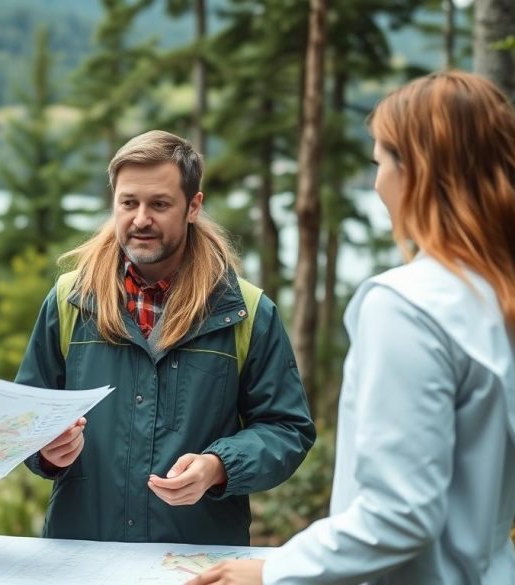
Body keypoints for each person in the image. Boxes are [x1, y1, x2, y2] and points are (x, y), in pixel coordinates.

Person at [187, 71, 515, 585]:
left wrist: (271, 572)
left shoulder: (405, 307)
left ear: (416, 172)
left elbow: (397, 517)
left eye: (380, 162)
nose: (378, 184)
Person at [17, 130, 316, 545]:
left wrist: (219, 465)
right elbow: (24, 417)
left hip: (197, 563)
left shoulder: (246, 312)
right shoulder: (70, 301)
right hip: (81, 557)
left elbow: (287, 429)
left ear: (193, 207)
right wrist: (45, 451)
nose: (141, 219)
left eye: (159, 204)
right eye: (128, 203)